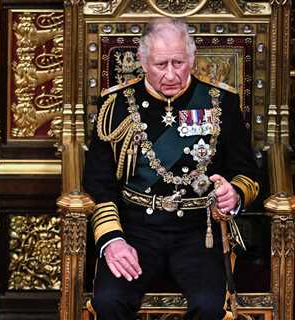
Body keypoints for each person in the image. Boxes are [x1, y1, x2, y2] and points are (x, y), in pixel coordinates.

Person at [83, 17, 260, 320]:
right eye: (160, 64)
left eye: (178, 63)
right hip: (135, 228)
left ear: (192, 58)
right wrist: (113, 240)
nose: (170, 75)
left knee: (209, 306)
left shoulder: (221, 102)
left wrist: (235, 194)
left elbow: (247, 173)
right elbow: (98, 181)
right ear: (142, 61)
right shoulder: (116, 105)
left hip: (198, 231)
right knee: (109, 301)